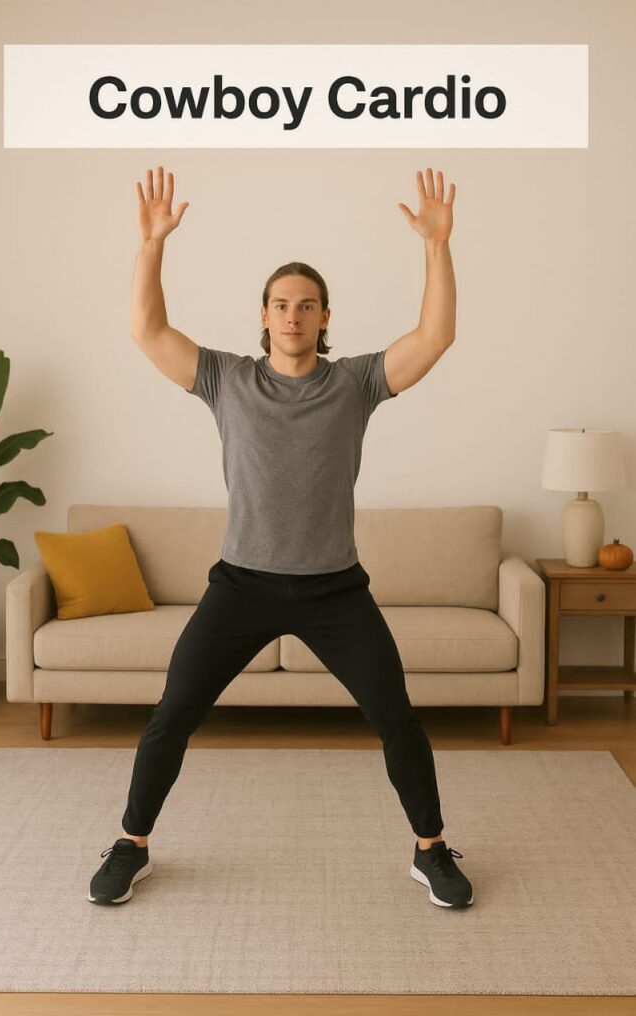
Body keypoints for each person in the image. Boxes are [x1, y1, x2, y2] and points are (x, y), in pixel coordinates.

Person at [88, 165, 473, 910]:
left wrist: (437, 246)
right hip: (241, 586)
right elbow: (147, 330)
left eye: (306, 306)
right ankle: (131, 842)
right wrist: (151, 245)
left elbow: (436, 335)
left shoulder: (356, 383)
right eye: (280, 304)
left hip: (335, 589)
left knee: (397, 717)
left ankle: (431, 849)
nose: (292, 316)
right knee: (172, 715)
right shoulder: (227, 380)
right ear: (262, 316)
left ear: (326, 317)